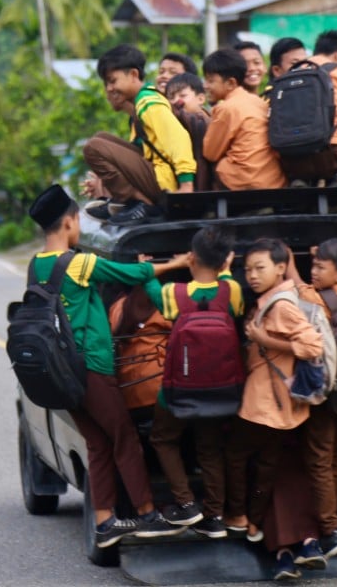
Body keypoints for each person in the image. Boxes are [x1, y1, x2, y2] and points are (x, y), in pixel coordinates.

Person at [27, 183, 190, 548]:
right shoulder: (78, 263)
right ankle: (147, 514)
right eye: (77, 220)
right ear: (69, 222)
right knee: (125, 437)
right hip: (92, 367)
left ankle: (104, 522)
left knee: (99, 444)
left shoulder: (36, 265)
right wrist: (177, 263)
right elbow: (129, 275)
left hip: (60, 373)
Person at [225, 238, 325, 577]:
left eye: (259, 268)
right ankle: (284, 542)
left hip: (270, 402)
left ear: (281, 268)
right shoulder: (278, 298)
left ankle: (248, 520)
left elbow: (312, 345)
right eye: (248, 269)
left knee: (254, 463)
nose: (251, 275)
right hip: (279, 403)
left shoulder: (281, 305)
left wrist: (262, 339)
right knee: (276, 469)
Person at [145, 226, 243, 539]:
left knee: (163, 438)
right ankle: (214, 516)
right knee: (210, 448)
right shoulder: (232, 291)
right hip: (220, 388)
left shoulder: (173, 295)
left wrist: (161, 265)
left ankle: (186, 503)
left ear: (192, 257)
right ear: (223, 261)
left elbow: (146, 283)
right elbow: (231, 296)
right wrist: (225, 270)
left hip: (178, 389)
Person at [284, 238, 337, 560]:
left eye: (320, 267)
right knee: (334, 456)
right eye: (312, 265)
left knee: (318, 458)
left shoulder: (313, 298)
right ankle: (334, 516)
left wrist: (288, 261)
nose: (313, 271)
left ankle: (329, 530)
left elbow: (297, 286)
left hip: (325, 392)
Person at [83, 44, 196, 227]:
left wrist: (186, 185)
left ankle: (141, 203)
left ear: (134, 75)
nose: (109, 88)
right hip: (156, 176)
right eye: (106, 84)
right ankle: (127, 201)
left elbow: (178, 139)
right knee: (101, 138)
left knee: (93, 147)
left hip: (165, 182)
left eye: (113, 81)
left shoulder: (149, 102)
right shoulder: (140, 104)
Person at [280, 29, 337, 194]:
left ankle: (302, 179)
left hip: (290, 158)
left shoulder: (292, 73)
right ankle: (333, 180)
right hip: (329, 157)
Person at [201, 48, 286, 190]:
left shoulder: (226, 108)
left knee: (213, 163)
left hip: (245, 181)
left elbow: (210, 153)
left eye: (211, 81)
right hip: (274, 180)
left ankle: (208, 209)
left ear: (230, 83)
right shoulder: (259, 102)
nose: (205, 86)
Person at [165, 72, 214, 191]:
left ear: (201, 99)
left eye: (182, 95)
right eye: (171, 97)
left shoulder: (202, 120)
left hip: (203, 188)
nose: (176, 101)